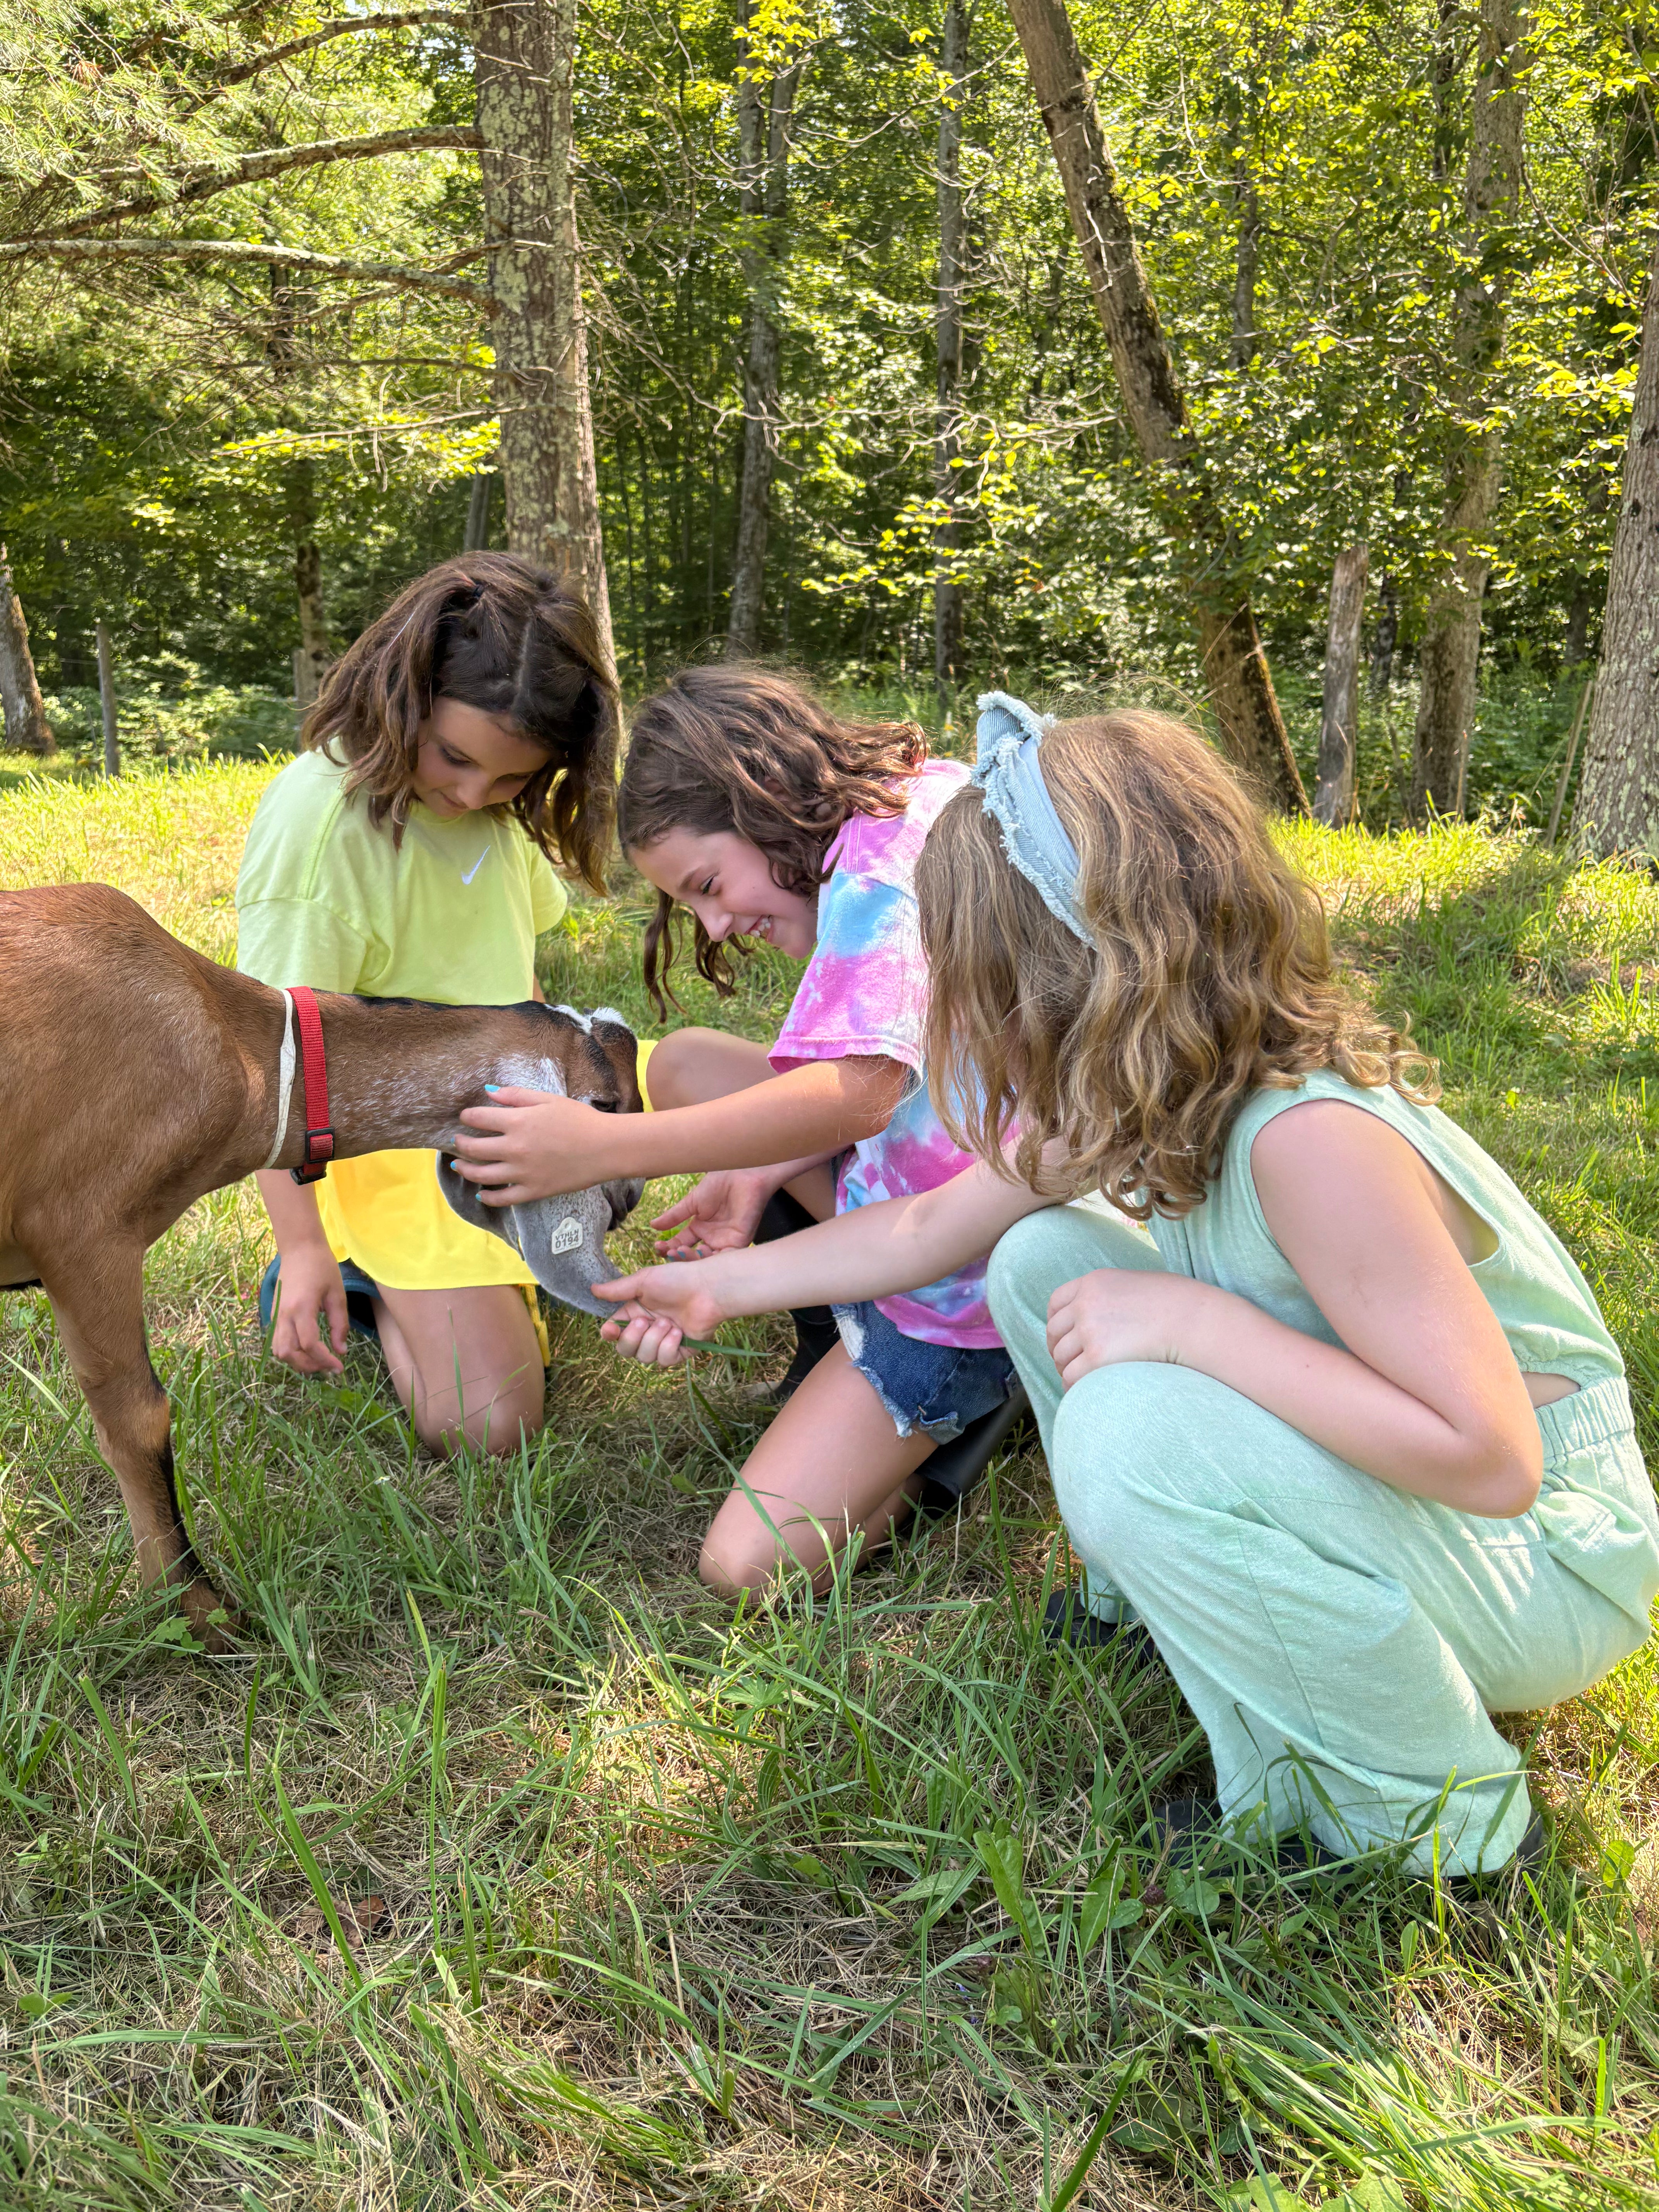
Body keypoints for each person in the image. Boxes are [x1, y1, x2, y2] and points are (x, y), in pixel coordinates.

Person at [586, 695, 1659, 1879]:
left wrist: (1196, 1326)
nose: (959, 1025)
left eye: (975, 979)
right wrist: (718, 1288)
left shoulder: (1308, 1141)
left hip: (1546, 1562)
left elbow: (1490, 1459)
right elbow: (929, 1225)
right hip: (1427, 1507)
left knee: (1129, 1426)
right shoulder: (1137, 1085)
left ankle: (1436, 1822)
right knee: (1040, 1258)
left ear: (1071, 966)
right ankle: (1175, 1610)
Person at [447, 665, 1021, 1593]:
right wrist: (755, 1172)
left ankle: (969, 1418)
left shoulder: (879, 880)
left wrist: (600, 1147)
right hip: (945, 1170)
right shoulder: (905, 801)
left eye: (710, 883)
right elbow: (908, 1074)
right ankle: (844, 1343)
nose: (718, 921)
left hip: (959, 1279)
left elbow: (860, 1095)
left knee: (747, 1565)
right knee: (686, 1068)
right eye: (692, 905)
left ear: (763, 794)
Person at [235, 552, 618, 1455]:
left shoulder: (489, 807)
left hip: (495, 1126)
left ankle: (467, 1284)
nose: (474, 796)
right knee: (490, 1426)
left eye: (513, 779)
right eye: (454, 758)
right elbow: (277, 1061)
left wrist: (569, 1135)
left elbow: (517, 985)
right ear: (400, 694)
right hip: (376, 1143)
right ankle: (354, 1274)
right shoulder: (320, 826)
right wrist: (303, 1250)